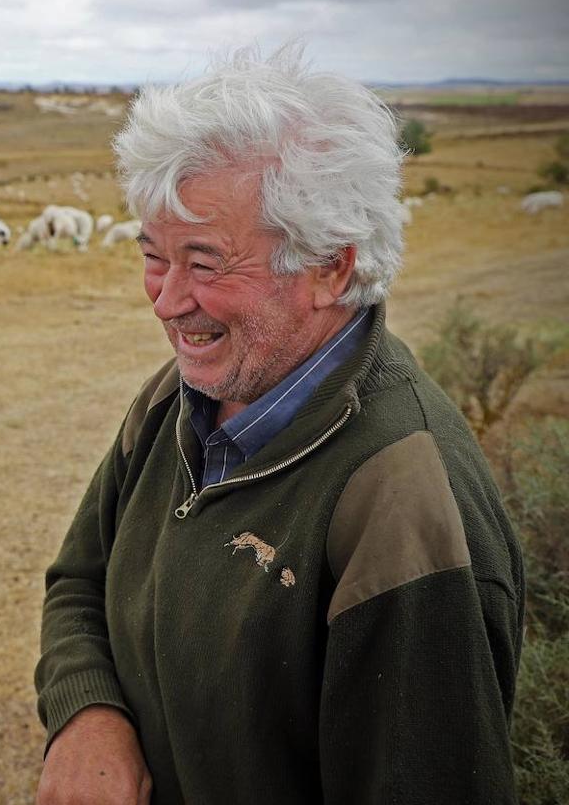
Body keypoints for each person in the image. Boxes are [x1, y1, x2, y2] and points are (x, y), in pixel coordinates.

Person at [34, 44, 524, 805]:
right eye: (153, 256)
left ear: (331, 266)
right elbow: (79, 581)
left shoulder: (404, 505)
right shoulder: (179, 398)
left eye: (204, 263)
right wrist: (88, 715)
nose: (164, 301)